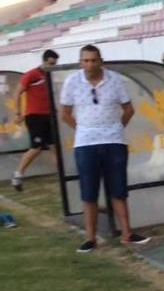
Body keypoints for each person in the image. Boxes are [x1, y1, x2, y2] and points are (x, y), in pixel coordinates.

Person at [59, 45, 150, 253]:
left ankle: (127, 233)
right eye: (86, 60)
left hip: (114, 141)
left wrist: (116, 128)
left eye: (93, 60)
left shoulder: (114, 80)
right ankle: (90, 238)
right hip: (85, 143)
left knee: (118, 188)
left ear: (101, 61)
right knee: (89, 192)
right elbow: (64, 113)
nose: (90, 64)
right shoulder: (72, 82)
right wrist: (83, 129)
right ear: (80, 62)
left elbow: (129, 109)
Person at [10, 49, 59, 192]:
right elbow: (17, 93)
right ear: (44, 61)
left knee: (54, 146)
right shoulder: (32, 75)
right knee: (36, 147)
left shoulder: (50, 76)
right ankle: (18, 174)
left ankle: (64, 176)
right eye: (50, 63)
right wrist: (18, 113)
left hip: (49, 116)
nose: (52, 66)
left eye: (54, 64)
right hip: (34, 116)